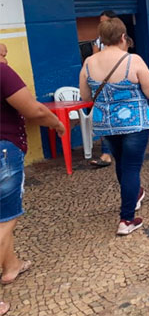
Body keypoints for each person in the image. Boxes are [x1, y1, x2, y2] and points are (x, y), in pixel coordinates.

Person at [1, 49, 66, 315]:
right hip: (3, 152)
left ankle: (11, 266)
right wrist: (58, 124)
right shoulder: (2, 72)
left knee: (4, 215)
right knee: (5, 222)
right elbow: (34, 110)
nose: (4, 48)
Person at [79, 18, 149, 235]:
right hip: (135, 124)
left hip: (106, 125)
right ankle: (126, 220)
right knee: (131, 168)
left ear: (101, 39)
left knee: (122, 164)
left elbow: (85, 97)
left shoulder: (89, 63)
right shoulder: (133, 60)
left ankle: (134, 196)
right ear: (123, 37)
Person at [90, 10, 118, 167]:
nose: (101, 25)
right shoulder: (98, 42)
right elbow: (94, 61)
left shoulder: (122, 40)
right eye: (100, 22)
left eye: (104, 22)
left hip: (119, 86)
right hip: (102, 86)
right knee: (104, 119)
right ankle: (106, 154)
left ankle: (117, 150)